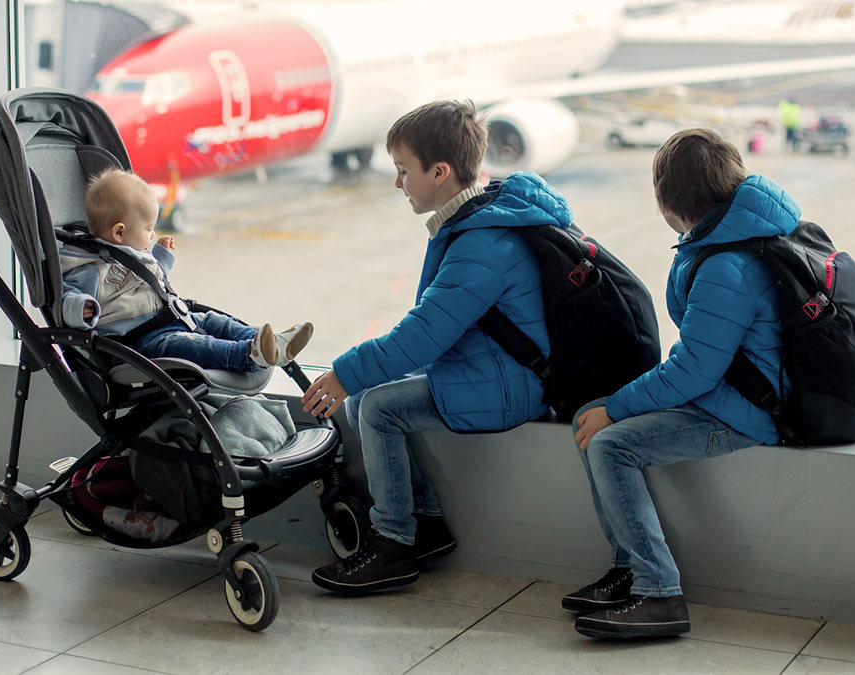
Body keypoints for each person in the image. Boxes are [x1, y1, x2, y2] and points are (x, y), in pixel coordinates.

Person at [301, 100, 570, 594]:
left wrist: (343, 372)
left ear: (440, 172)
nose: (398, 183)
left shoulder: (480, 246)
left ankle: (394, 545)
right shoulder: (481, 217)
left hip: (509, 386)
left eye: (404, 171)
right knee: (367, 397)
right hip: (500, 369)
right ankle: (422, 526)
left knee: (377, 407)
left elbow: (424, 335)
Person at [564, 128, 797, 639]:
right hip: (734, 397)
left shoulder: (726, 264)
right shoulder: (737, 236)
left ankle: (658, 592)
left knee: (609, 444)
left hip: (745, 414)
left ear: (670, 198)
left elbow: (694, 370)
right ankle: (628, 568)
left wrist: (620, 409)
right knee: (592, 417)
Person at [60, 169, 313, 372]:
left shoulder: (131, 254)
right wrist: (81, 307)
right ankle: (247, 354)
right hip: (142, 342)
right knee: (197, 345)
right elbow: (67, 297)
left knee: (216, 322)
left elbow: (147, 283)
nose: (152, 234)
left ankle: (269, 342)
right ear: (119, 232)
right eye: (148, 229)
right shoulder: (90, 267)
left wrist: (160, 258)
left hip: (173, 317)